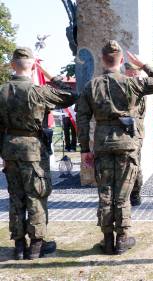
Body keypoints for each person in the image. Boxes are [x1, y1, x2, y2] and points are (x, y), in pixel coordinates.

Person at [77, 40, 153, 255]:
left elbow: (82, 118)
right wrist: (144, 65)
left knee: (105, 192)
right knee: (122, 194)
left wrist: (84, 149)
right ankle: (123, 239)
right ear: (121, 60)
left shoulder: (91, 86)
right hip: (127, 145)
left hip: (102, 144)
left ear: (102, 59)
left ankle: (108, 239)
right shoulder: (132, 83)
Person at [0, 47, 77, 259]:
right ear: (33, 65)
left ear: (12, 65)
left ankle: (18, 246)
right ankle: (36, 246)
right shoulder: (39, 91)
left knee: (16, 198)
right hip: (33, 150)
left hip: (9, 150)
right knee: (36, 196)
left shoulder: (1, 91)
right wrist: (52, 77)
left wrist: (3, 153)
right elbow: (72, 95)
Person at [124, 59, 153, 206]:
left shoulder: (136, 86)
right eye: (137, 71)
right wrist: (144, 65)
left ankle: (134, 194)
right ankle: (132, 195)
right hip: (133, 132)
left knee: (134, 164)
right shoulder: (136, 85)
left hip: (133, 131)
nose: (138, 74)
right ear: (133, 72)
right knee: (133, 164)